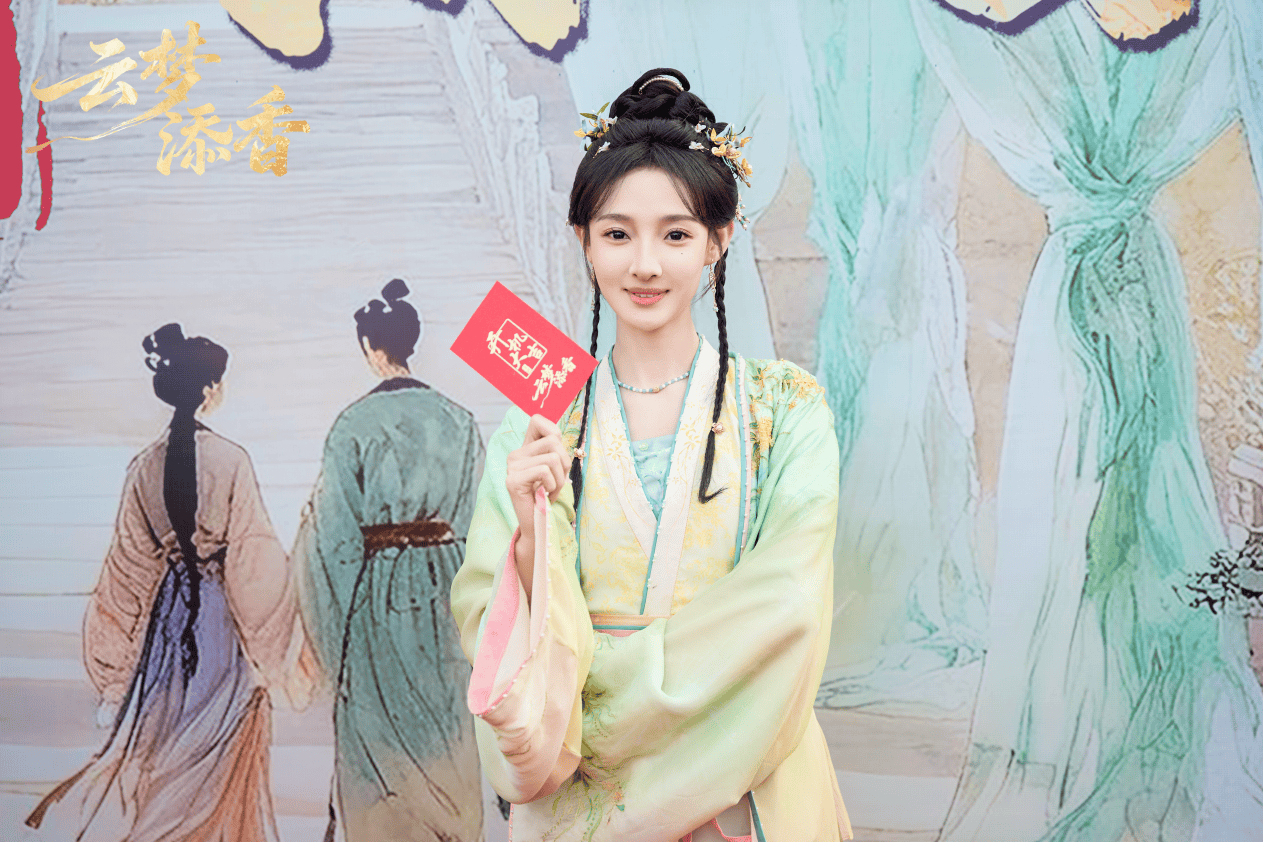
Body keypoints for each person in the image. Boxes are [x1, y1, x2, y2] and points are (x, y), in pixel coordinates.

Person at [451, 68, 853, 842]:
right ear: (583, 240)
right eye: (616, 234)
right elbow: (482, 610)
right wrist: (531, 539)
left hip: (742, 772)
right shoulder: (538, 420)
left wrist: (596, 703)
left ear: (718, 240)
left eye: (674, 234)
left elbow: (788, 603)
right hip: (572, 792)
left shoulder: (785, 409)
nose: (644, 264)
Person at [26, 323, 313, 842]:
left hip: (169, 618)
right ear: (208, 390)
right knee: (217, 740)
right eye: (219, 381)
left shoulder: (144, 467)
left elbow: (127, 571)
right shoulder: (231, 460)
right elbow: (253, 560)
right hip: (219, 620)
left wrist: (115, 676)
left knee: (164, 739)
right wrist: (279, 651)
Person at [293, 279, 485, 842]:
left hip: (376, 600)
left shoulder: (352, 426)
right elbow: (477, 523)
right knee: (448, 726)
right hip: (448, 593)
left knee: (378, 733)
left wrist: (334, 641)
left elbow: (333, 543)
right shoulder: (459, 420)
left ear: (369, 348)